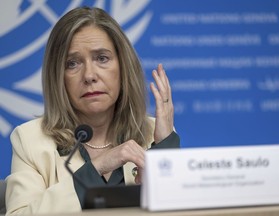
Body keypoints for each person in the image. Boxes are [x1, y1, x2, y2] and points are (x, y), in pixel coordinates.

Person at [5, 6, 180, 215]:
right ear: (58, 77)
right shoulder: (30, 141)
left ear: (123, 67)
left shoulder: (154, 132)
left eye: (102, 58)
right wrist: (97, 167)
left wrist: (164, 149)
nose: (89, 75)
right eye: (72, 63)